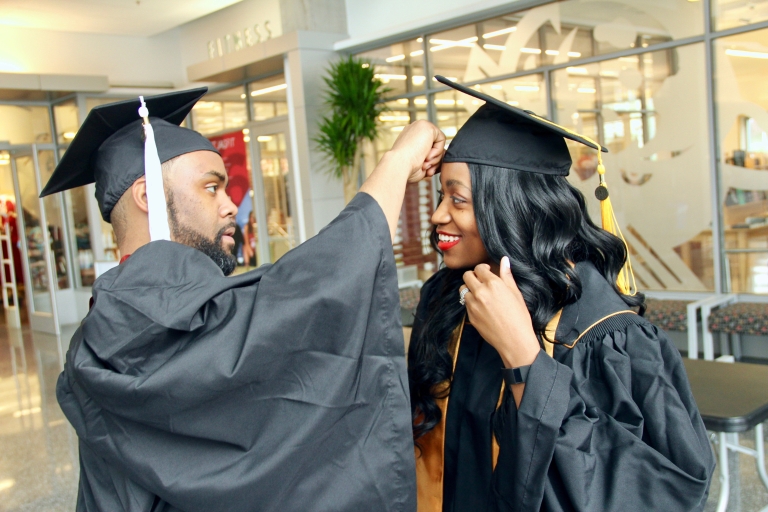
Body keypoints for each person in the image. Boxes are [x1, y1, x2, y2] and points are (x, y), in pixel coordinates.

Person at [42, 87, 445, 511]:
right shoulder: (158, 318)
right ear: (148, 197)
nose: (231, 205)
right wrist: (396, 161)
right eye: (211, 187)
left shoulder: (99, 327)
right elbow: (308, 291)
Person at [408, 76, 715, 511]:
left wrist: (524, 360)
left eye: (458, 200)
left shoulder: (604, 332)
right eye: (441, 195)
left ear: (514, 208)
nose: (439, 214)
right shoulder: (447, 297)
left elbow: (660, 492)